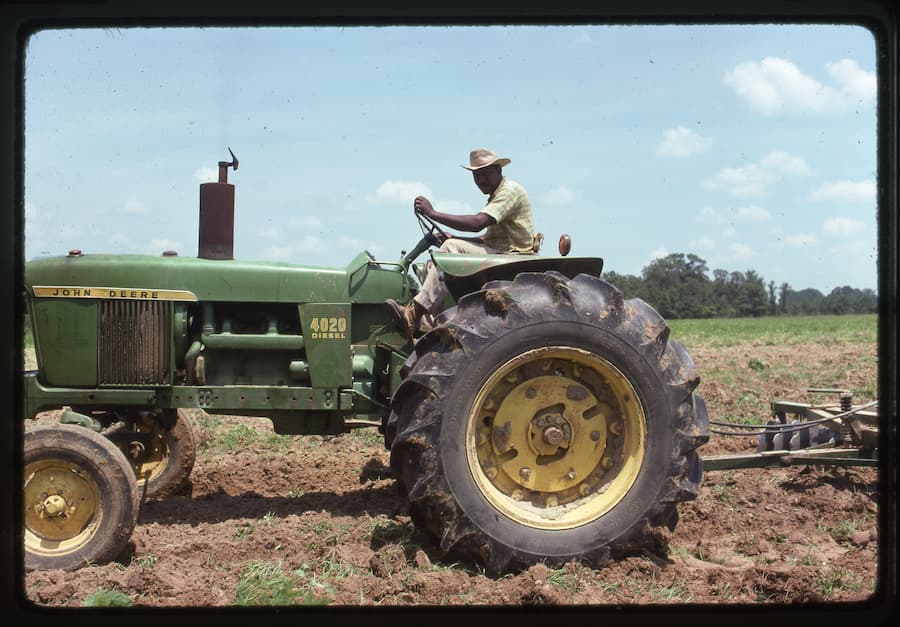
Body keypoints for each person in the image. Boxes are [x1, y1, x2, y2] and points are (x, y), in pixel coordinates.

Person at [385, 147, 535, 338]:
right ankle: (428, 329)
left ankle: (413, 313)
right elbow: (486, 239)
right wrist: (454, 239)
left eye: (486, 173)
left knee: (449, 250)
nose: (481, 180)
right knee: (434, 262)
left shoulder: (510, 191)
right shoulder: (497, 195)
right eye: (477, 176)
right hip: (499, 250)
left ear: (498, 170)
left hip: (513, 256)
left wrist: (433, 214)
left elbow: (476, 224)